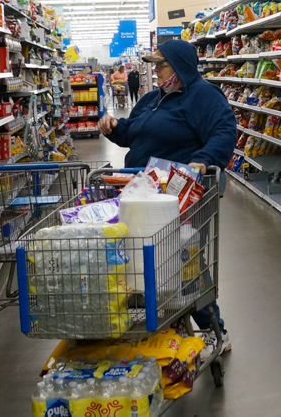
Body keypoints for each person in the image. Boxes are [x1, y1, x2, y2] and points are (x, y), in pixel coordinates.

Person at [98, 39, 235, 350]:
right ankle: (161, 316)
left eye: (160, 64)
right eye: (154, 65)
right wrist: (115, 127)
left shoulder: (203, 95)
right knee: (145, 259)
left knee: (184, 260)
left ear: (180, 66)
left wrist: (202, 160)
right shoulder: (152, 98)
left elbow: (224, 131)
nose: (155, 70)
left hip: (178, 195)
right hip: (143, 192)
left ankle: (215, 329)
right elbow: (133, 132)